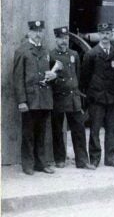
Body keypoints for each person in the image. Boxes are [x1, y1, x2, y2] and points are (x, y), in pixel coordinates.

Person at [13, 20, 56, 175]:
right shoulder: (22, 51)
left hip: (44, 99)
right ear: (29, 32)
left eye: (41, 31)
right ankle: (28, 164)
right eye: (35, 31)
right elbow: (17, 78)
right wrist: (21, 101)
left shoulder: (45, 51)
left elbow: (51, 72)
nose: (38, 34)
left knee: (41, 133)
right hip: (30, 100)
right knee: (28, 133)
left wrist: (53, 75)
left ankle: (41, 163)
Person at [49, 26, 93, 170]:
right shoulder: (51, 56)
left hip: (74, 98)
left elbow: (77, 75)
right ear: (56, 39)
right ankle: (59, 159)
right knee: (57, 130)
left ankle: (82, 161)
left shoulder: (74, 54)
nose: (64, 41)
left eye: (66, 38)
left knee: (79, 130)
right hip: (59, 98)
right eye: (61, 38)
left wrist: (75, 89)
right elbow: (49, 78)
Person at [81, 23, 114, 168]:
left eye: (108, 33)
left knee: (112, 129)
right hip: (96, 98)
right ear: (99, 35)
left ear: (111, 35)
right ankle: (94, 158)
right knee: (95, 129)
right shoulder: (91, 54)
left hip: (112, 97)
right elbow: (84, 78)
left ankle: (110, 158)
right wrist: (90, 96)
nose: (105, 36)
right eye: (102, 33)